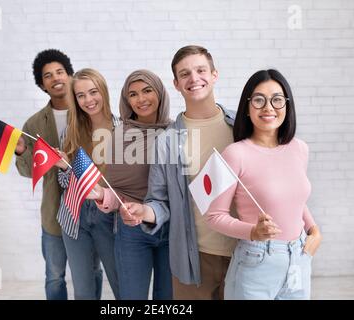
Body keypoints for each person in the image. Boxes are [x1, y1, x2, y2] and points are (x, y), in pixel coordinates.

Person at [121, 45, 237, 299]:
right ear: (176, 83)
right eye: (185, 74)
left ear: (215, 74)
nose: (194, 78)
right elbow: (159, 200)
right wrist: (145, 211)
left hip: (245, 254)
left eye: (200, 70)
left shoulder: (241, 127)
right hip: (194, 259)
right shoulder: (168, 141)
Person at [205, 69, 322, 300]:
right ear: (247, 108)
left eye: (277, 99)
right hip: (256, 262)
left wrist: (314, 231)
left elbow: (295, 198)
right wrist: (253, 232)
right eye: (259, 100)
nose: (268, 107)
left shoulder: (299, 148)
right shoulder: (235, 154)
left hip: (299, 258)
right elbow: (214, 216)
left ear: (287, 105)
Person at [88, 70, 172, 299]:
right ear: (127, 101)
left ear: (160, 92)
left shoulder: (177, 132)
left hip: (173, 229)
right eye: (133, 94)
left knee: (168, 298)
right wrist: (101, 194)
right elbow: (116, 191)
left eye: (147, 90)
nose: (141, 99)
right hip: (132, 228)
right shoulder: (119, 136)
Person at [15, 49, 75, 300]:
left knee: (93, 270)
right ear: (42, 84)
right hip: (53, 213)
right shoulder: (34, 124)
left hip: (89, 209)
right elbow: (28, 171)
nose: (55, 78)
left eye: (60, 72)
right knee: (54, 276)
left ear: (70, 75)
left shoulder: (90, 111)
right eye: (48, 75)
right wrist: (20, 152)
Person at [55, 68, 120, 300]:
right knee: (83, 291)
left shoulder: (122, 130)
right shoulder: (70, 131)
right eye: (80, 95)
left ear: (103, 91)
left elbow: (129, 182)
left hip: (110, 215)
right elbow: (65, 183)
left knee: (122, 285)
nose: (88, 100)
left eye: (93, 92)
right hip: (75, 216)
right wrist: (64, 167)